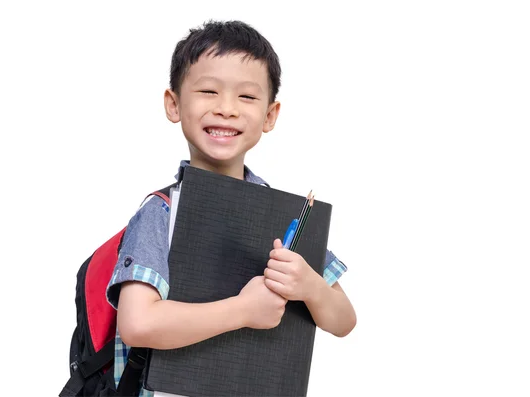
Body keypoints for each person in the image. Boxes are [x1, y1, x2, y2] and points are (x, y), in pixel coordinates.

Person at [106, 19, 357, 396]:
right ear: (174, 105)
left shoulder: (281, 214)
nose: (226, 109)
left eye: (247, 97)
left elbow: (344, 320)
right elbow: (138, 323)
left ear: (270, 116)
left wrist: (310, 287)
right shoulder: (161, 213)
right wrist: (243, 310)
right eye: (208, 91)